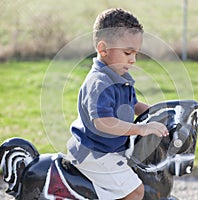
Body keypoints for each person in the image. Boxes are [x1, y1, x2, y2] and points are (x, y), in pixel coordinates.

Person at [66, 8, 169, 200]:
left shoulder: (120, 77)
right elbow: (103, 122)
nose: (133, 59)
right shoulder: (100, 82)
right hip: (93, 152)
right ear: (103, 49)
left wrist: (158, 112)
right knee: (135, 191)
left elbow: (133, 105)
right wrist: (141, 128)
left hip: (110, 149)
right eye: (128, 52)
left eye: (136, 53)